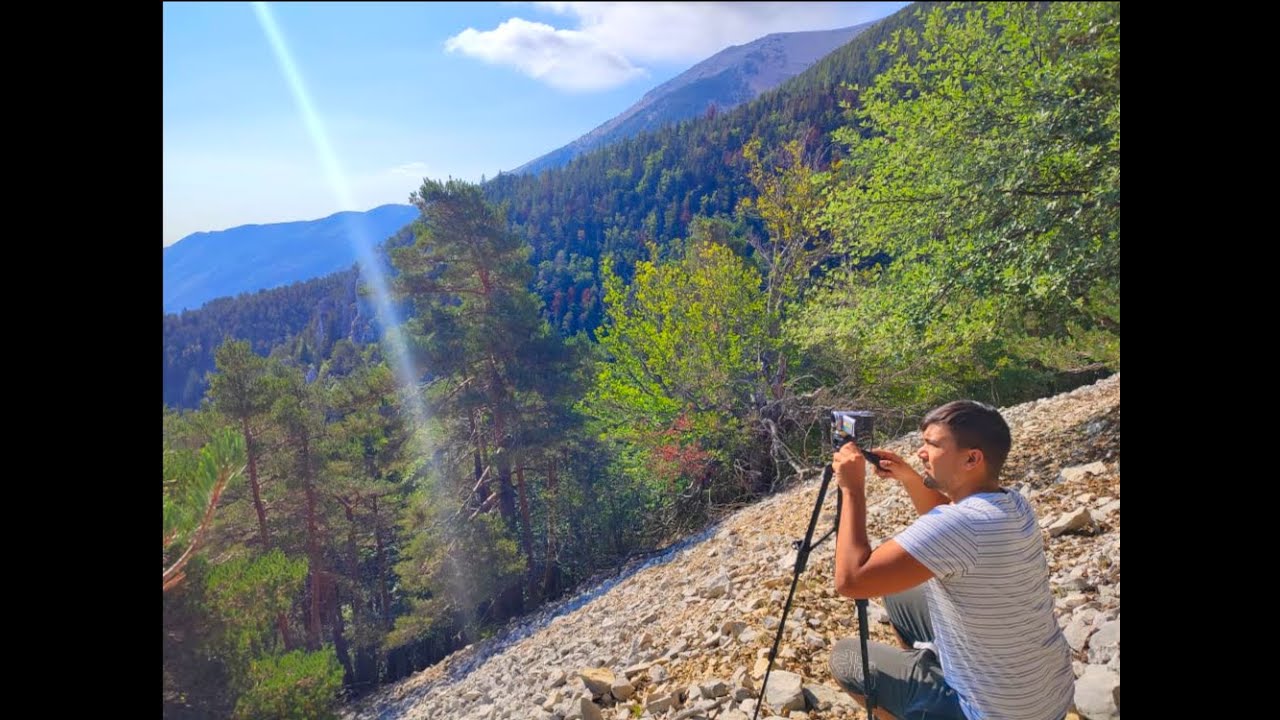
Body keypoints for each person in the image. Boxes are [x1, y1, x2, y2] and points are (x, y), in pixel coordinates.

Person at [826, 400, 1074, 720]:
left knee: (846, 659)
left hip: (991, 712)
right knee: (898, 590)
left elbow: (851, 581)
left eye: (931, 445)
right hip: (1048, 697)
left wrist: (852, 489)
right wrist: (911, 478)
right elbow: (950, 525)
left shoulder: (960, 527)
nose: (920, 452)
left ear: (972, 458)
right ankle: (929, 680)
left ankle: (933, 704)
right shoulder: (1011, 503)